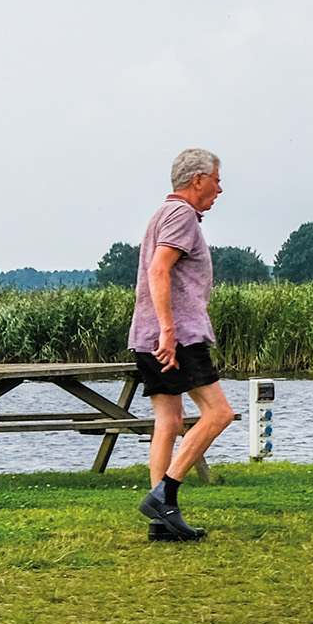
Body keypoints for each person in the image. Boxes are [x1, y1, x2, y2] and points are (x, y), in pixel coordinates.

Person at [130, 148, 236, 541]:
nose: (220, 189)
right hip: (176, 336)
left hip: (147, 333)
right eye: (216, 180)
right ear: (197, 180)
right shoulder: (181, 215)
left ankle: (163, 521)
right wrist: (170, 332)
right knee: (218, 413)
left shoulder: (163, 214)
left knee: (169, 421)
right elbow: (159, 270)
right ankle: (165, 495)